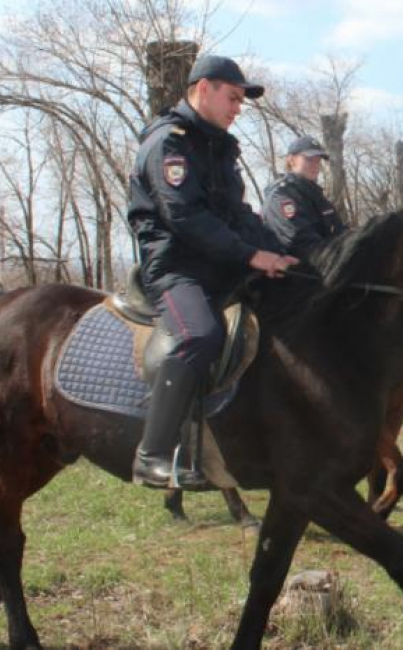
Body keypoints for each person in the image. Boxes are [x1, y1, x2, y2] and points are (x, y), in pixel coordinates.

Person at [127, 54, 298, 489]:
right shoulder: (169, 143)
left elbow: (238, 214)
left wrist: (283, 255)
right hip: (177, 270)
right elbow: (185, 218)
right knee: (200, 334)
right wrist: (250, 256)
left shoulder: (219, 147)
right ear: (203, 88)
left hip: (220, 265)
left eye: (241, 101)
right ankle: (152, 455)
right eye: (233, 97)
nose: (238, 108)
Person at [260, 134, 346, 257]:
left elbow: (340, 232)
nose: (315, 165)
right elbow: (303, 244)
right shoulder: (281, 197)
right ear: (291, 160)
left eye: (318, 160)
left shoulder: (319, 198)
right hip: (297, 272)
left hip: (326, 265)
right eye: (309, 159)